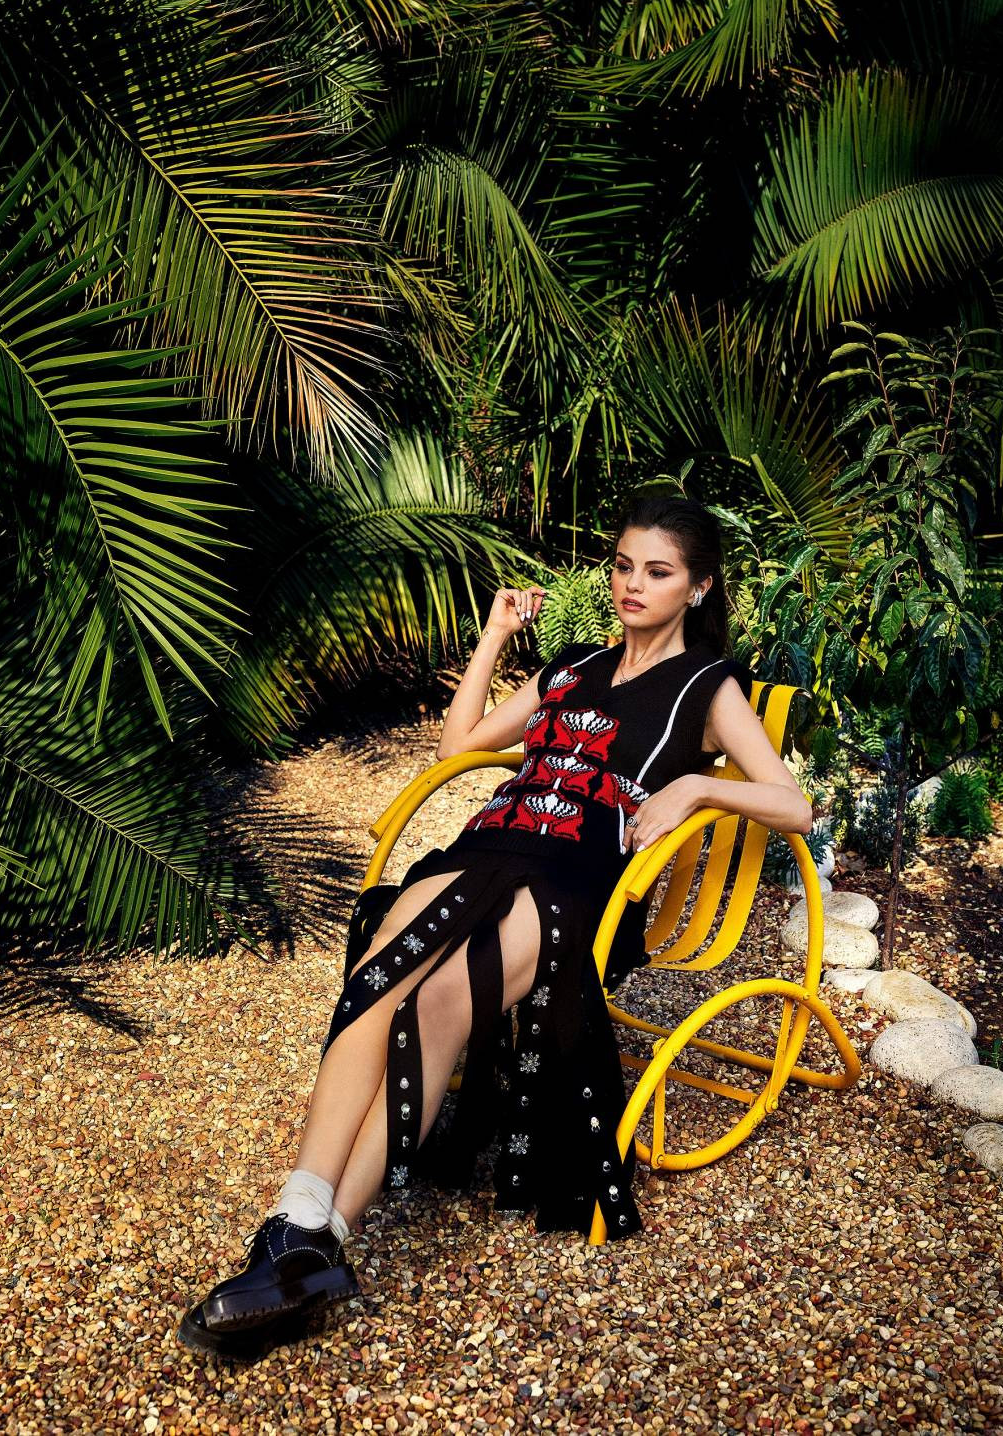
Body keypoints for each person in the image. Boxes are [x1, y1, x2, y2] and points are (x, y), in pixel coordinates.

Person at [177, 494, 812, 1360]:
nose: (632, 584)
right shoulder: (572, 667)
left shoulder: (708, 686)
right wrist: (493, 636)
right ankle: (297, 1223)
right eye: (623, 565)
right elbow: (460, 749)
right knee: (379, 975)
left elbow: (793, 805)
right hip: (489, 845)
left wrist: (697, 785)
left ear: (697, 587)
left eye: (657, 572)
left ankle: (326, 1239)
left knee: (442, 1002)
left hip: (580, 881)